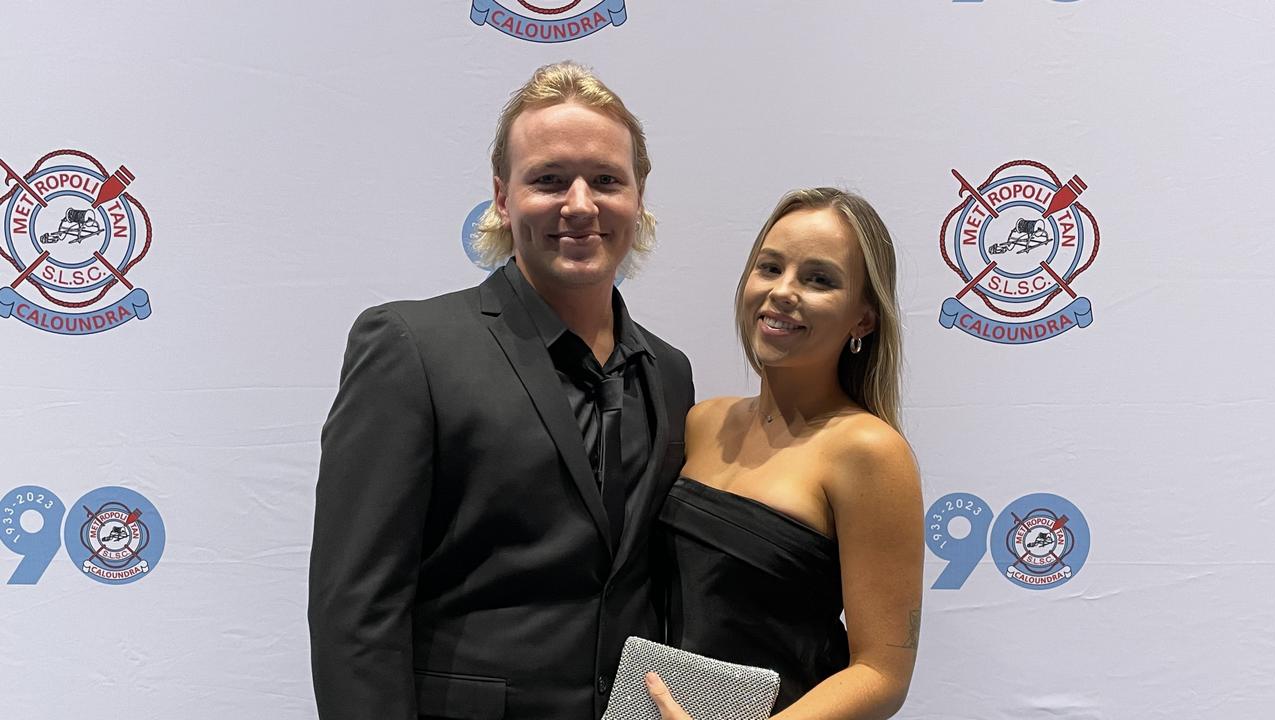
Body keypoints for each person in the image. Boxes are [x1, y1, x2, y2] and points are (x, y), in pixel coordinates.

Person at [308, 62, 694, 720]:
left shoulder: (669, 371)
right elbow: (356, 614)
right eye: (548, 180)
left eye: (606, 180)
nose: (580, 204)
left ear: (638, 195)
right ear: (502, 196)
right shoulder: (411, 347)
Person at [646, 188, 923, 719]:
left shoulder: (869, 452)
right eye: (770, 268)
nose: (783, 292)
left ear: (863, 319)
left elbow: (882, 673)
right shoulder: (704, 422)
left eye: (819, 279)